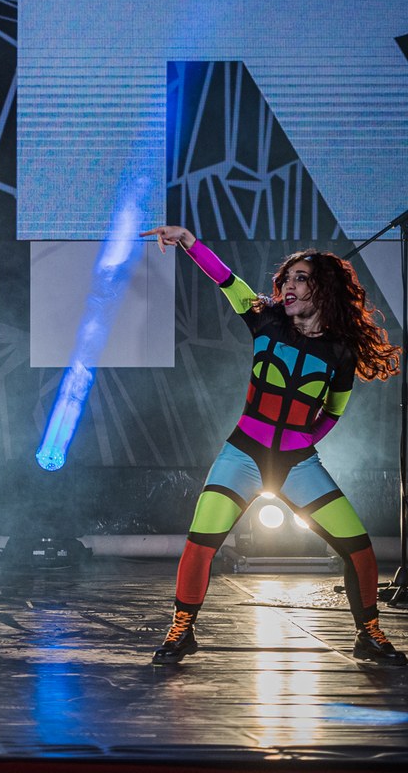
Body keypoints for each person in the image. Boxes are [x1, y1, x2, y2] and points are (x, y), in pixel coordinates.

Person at [141, 225, 404, 666]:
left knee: (359, 548)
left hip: (298, 464)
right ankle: (182, 629)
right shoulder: (265, 319)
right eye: (287, 278)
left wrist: (301, 445)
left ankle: (369, 634)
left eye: (301, 278)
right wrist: (188, 241)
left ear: (323, 289)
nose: (289, 286)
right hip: (242, 455)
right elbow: (226, 279)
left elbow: (333, 412)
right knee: (200, 543)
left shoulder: (340, 352)